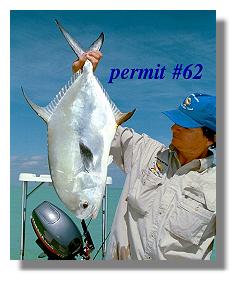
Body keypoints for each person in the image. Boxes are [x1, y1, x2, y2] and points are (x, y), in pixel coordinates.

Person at [72, 52, 216, 260]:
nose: (174, 127)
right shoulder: (144, 151)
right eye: (176, 120)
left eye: (186, 125)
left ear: (210, 137)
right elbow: (97, 129)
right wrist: (81, 76)